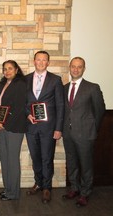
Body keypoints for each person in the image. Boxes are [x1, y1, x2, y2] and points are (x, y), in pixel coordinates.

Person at [62, 57, 105, 207]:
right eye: (73, 66)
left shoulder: (92, 87)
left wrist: (92, 128)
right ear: (69, 67)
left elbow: (100, 110)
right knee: (71, 162)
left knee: (86, 165)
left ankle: (85, 193)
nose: (76, 69)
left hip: (85, 134)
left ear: (84, 69)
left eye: (79, 67)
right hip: (68, 133)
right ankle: (74, 188)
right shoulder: (65, 87)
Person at [25, 50, 64, 204]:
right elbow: (23, 102)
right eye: (38, 59)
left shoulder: (55, 80)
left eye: (44, 60)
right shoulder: (26, 80)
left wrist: (58, 128)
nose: (41, 62)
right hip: (31, 126)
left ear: (48, 62)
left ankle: (47, 187)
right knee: (35, 158)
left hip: (49, 127)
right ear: (34, 61)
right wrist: (27, 113)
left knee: (47, 158)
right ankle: (39, 182)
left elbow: (60, 105)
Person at [0, 60, 27, 201]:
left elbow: (19, 108)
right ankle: (8, 189)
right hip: (1, 126)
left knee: (12, 160)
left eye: (10, 69)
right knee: (5, 159)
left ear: (16, 70)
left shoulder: (21, 84)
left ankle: (14, 193)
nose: (7, 71)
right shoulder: (2, 84)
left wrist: (4, 124)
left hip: (14, 127)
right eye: (5, 69)